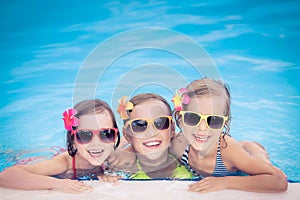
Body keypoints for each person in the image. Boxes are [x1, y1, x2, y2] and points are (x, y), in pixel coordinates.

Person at [172, 78, 288, 193]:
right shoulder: (178, 145)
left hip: (232, 150)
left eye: (214, 120)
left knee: (251, 152)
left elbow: (279, 180)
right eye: (193, 117)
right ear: (180, 117)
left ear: (224, 123)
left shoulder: (227, 151)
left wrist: (226, 182)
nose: (202, 128)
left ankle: (256, 151)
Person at [0, 99, 121, 193]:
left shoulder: (113, 154)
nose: (96, 143)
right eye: (85, 135)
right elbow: (7, 176)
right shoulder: (64, 163)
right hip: (31, 158)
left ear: (115, 137)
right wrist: (57, 184)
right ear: (73, 140)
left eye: (106, 134)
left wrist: (104, 175)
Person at [117, 94, 193, 179]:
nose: (151, 132)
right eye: (139, 125)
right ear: (127, 136)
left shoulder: (187, 155)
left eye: (160, 123)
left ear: (172, 129)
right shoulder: (121, 167)